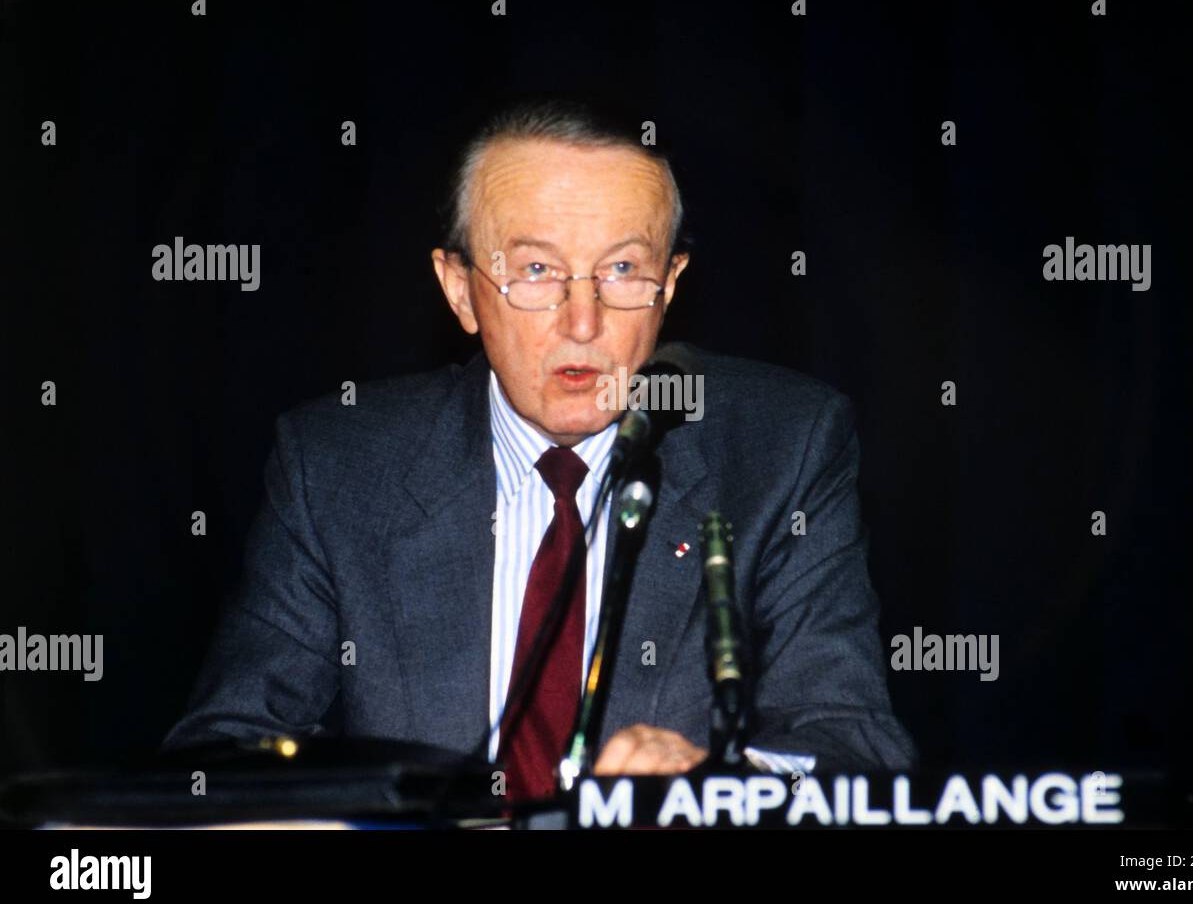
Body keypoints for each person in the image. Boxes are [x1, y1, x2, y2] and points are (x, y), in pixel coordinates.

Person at [163, 95, 915, 802]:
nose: (581, 320)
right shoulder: (337, 466)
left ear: (670, 284)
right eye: (535, 271)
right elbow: (225, 754)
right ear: (459, 289)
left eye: (622, 269)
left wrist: (719, 786)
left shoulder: (783, 449)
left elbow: (852, 745)